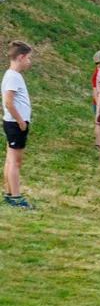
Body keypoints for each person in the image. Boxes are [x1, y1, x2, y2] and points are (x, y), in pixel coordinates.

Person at [3, 41, 34, 210]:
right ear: (21, 57)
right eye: (28, 58)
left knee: (10, 160)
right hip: (16, 124)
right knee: (15, 162)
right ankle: (16, 196)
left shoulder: (13, 75)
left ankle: (9, 193)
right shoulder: (13, 76)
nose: (30, 61)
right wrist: (21, 121)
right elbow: (8, 102)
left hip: (13, 123)